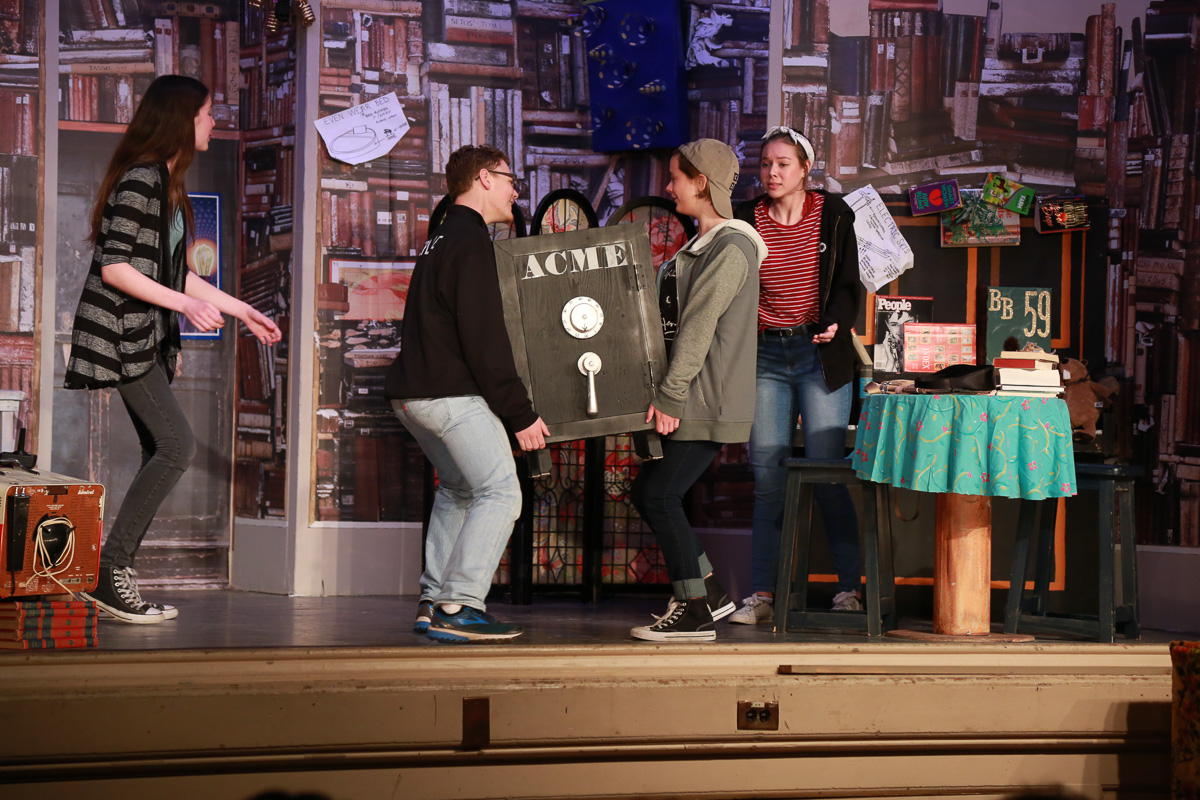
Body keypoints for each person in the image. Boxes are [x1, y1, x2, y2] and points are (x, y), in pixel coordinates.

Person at [67, 75, 282, 623]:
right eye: (207, 113)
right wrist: (183, 308)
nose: (213, 121)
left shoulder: (167, 184)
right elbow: (116, 268)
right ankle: (111, 572)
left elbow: (177, 274)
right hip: (123, 336)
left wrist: (243, 310)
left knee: (161, 448)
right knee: (177, 446)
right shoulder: (141, 178)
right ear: (182, 119)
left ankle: (113, 574)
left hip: (144, 337)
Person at [385, 144, 549, 644]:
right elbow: (484, 338)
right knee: (501, 492)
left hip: (412, 396)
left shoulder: (440, 237)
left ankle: (433, 599)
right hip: (448, 396)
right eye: (510, 180)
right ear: (484, 178)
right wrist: (520, 414)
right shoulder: (471, 241)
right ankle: (459, 605)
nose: (516, 192)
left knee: (459, 488)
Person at [629, 139, 766, 643]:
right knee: (651, 492)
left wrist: (670, 395)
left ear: (701, 182)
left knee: (659, 494)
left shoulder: (732, 247)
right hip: (689, 392)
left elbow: (698, 326)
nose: (669, 187)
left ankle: (694, 610)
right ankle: (706, 591)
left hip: (704, 397)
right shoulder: (702, 245)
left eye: (676, 178)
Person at [728, 125, 864, 625]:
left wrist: (836, 321)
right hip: (765, 355)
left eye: (783, 164)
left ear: (805, 169)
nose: (772, 172)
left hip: (818, 354)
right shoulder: (745, 220)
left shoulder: (833, 213)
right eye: (766, 164)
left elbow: (849, 283)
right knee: (769, 479)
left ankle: (849, 590)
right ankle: (763, 595)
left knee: (826, 473)